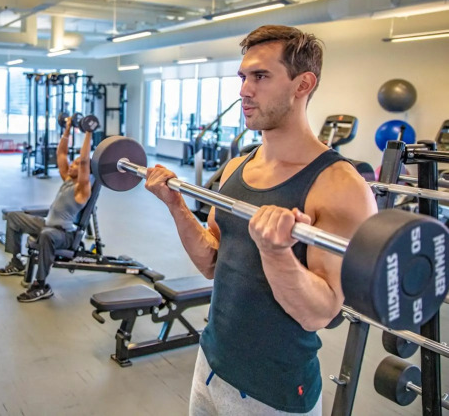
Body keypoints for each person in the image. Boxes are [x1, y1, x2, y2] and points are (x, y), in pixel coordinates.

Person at [144, 25, 377, 415]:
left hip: (274, 392)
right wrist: (176, 206)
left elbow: (321, 313)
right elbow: (212, 262)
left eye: (261, 76)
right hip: (210, 365)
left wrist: (276, 253)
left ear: (303, 84)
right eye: (243, 77)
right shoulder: (238, 166)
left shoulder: (339, 186)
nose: (244, 90)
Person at [0, 117, 92, 303]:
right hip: (47, 224)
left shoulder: (82, 189)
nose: (72, 165)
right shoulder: (67, 178)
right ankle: (16, 262)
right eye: (73, 163)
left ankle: (41, 285)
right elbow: (61, 154)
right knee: (13, 217)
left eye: (76, 164)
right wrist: (67, 129)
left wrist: (88, 132)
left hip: (64, 235)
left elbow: (84, 161)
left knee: (47, 235)